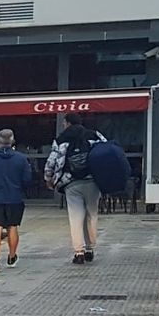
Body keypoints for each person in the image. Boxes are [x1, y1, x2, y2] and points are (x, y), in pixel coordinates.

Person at [44, 112, 106, 265]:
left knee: (76, 217)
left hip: (71, 182)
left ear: (68, 123)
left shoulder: (61, 139)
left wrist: (48, 178)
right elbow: (105, 151)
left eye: (64, 123)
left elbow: (52, 161)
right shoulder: (93, 135)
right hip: (92, 181)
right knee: (92, 215)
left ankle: (79, 252)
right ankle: (90, 248)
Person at [0, 129, 35, 274]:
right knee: (12, 227)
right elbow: (27, 179)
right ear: (13, 141)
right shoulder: (21, 159)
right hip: (14, 197)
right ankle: (11, 256)